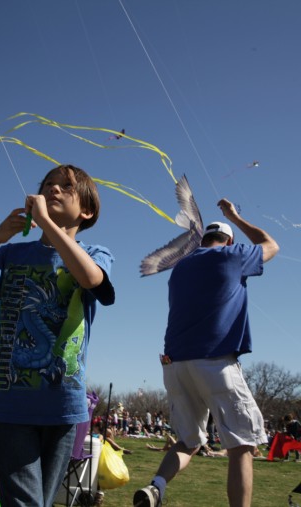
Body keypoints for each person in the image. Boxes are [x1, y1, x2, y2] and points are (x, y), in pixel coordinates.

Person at [0, 164, 115, 507]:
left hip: (63, 403)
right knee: (26, 502)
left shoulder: (96, 254)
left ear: (87, 210)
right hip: (13, 400)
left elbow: (91, 280)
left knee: (40, 501)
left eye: (65, 187)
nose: (53, 189)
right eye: (48, 184)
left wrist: (49, 227)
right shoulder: (12, 255)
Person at [133, 198, 279, 507]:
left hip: (174, 363)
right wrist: (236, 217)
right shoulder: (232, 255)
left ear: (202, 239)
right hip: (213, 362)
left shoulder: (181, 267)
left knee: (188, 440)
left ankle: (156, 487)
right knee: (242, 445)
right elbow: (271, 245)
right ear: (229, 241)